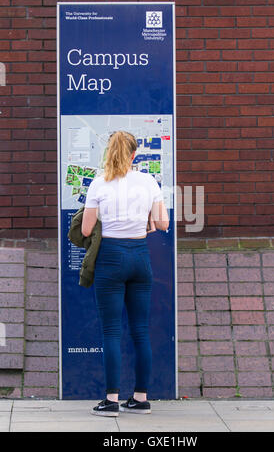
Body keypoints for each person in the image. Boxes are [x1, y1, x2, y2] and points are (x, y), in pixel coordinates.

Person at [81, 130, 169, 417]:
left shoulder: (98, 183)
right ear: (134, 154)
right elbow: (163, 223)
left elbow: (85, 230)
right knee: (140, 331)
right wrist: (145, 221)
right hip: (140, 256)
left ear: (109, 152)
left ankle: (111, 400)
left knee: (111, 331)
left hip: (110, 257)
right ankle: (140, 398)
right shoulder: (148, 181)